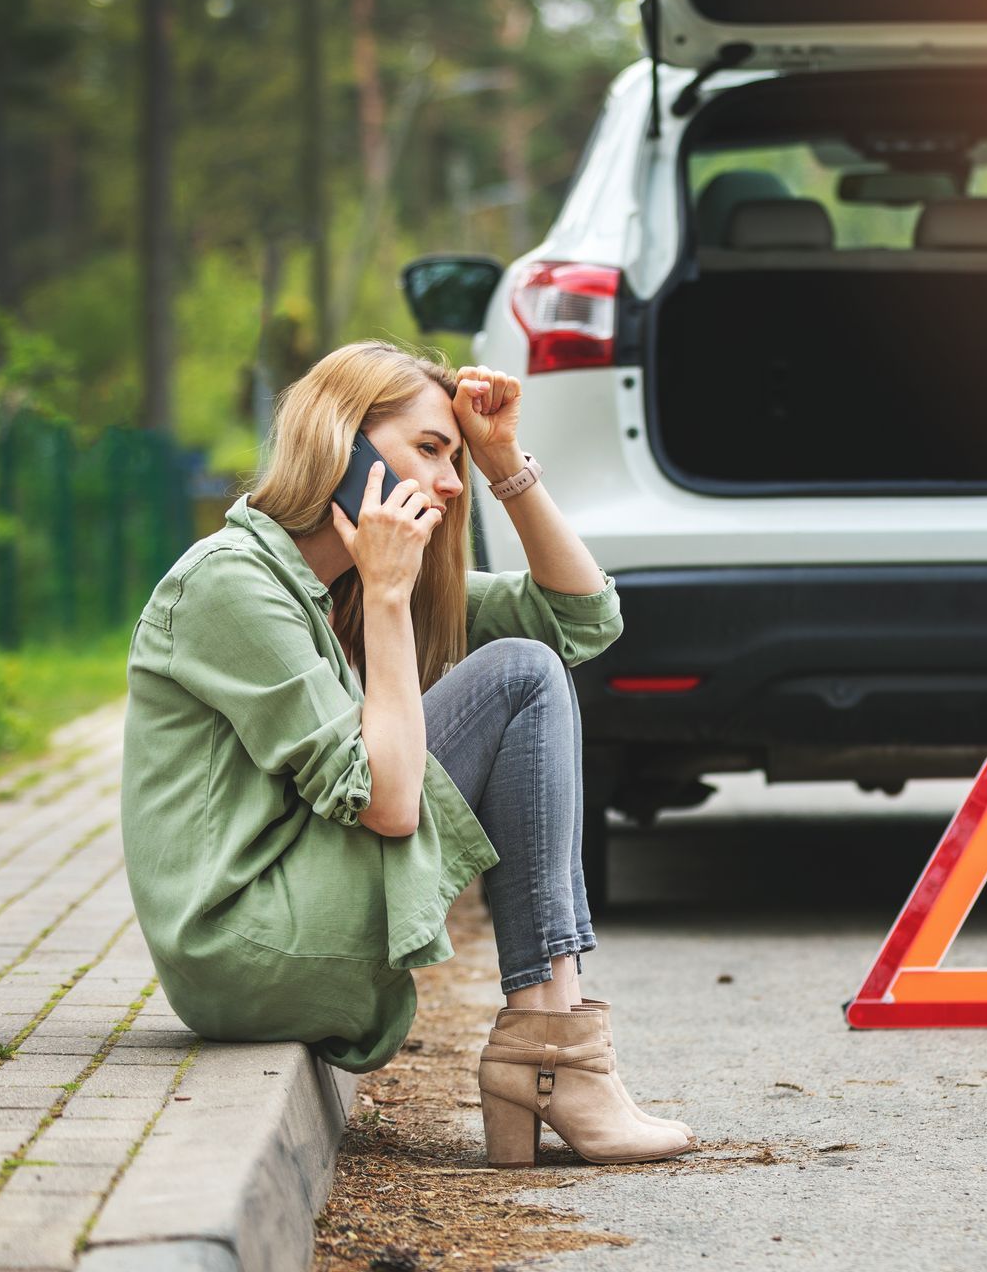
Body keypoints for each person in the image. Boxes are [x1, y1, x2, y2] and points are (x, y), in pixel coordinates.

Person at [118, 339, 696, 1167]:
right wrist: (389, 601)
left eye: (454, 458)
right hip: (244, 948)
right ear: (341, 445)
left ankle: (554, 1051)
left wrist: (503, 462)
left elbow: (585, 622)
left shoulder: (348, 583)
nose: (451, 482)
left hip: (293, 907)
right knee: (519, 678)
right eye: (430, 450)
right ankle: (552, 1056)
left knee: (535, 663)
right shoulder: (231, 584)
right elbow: (386, 803)